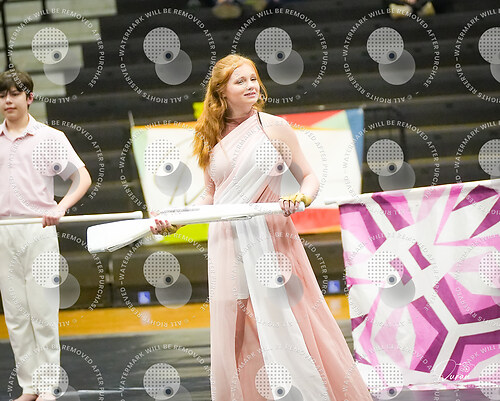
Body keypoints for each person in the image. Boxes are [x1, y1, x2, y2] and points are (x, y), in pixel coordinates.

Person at [151, 54, 372, 400]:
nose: (251, 86)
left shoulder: (274, 127)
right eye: (240, 81)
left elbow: (309, 177)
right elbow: (210, 196)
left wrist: (301, 197)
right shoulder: (208, 134)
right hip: (226, 239)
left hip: (271, 235)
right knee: (238, 324)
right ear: (221, 92)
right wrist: (176, 221)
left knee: (291, 315)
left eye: (253, 78)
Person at [0, 69, 91, 401]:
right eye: (2, 95)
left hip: (38, 231)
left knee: (43, 313)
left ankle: (49, 386)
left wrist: (61, 207)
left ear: (29, 98)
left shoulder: (49, 137)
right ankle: (30, 387)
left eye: (14, 94)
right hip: (3, 232)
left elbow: (81, 177)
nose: (8, 100)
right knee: (16, 317)